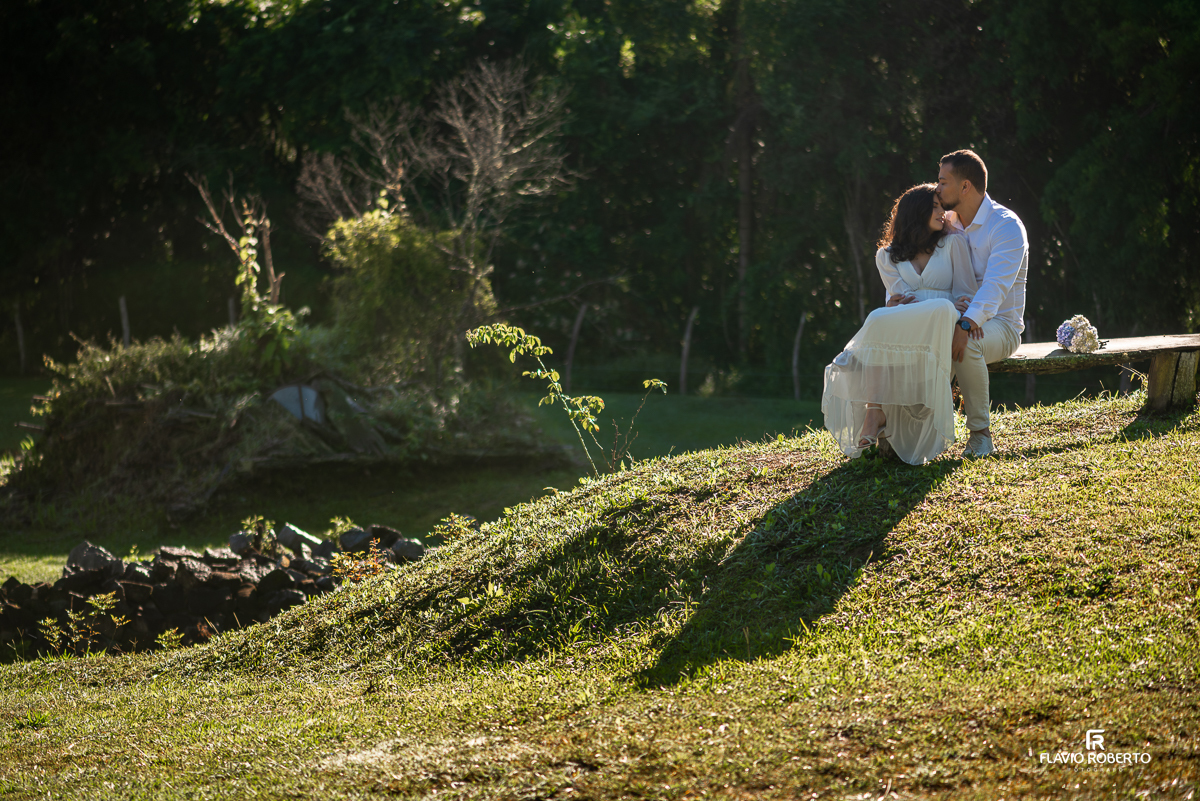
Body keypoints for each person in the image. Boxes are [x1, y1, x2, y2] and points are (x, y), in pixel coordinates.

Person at [822, 183, 978, 465]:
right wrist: (903, 306)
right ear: (916, 212)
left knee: (941, 308)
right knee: (879, 315)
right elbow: (900, 302)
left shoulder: (953, 243)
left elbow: (966, 294)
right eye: (934, 207)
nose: (942, 213)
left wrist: (949, 306)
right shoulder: (886, 256)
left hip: (943, 321)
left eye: (941, 207)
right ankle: (874, 410)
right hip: (909, 326)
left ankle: (863, 372)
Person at [936, 150, 1029, 458]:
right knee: (923, 339)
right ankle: (914, 432)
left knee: (967, 345)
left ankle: (980, 436)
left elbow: (995, 288)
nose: (937, 188)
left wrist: (966, 323)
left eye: (943, 182)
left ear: (965, 186)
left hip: (1001, 325)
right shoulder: (946, 222)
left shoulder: (1005, 226)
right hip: (955, 317)